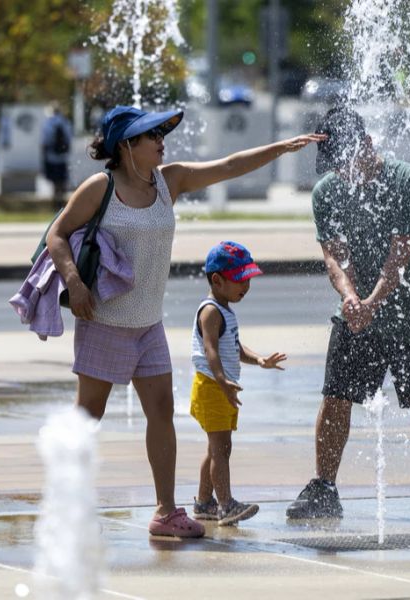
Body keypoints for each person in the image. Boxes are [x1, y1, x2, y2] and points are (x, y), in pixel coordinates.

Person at [46, 104, 323, 538]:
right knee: (88, 416)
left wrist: (280, 148)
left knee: (161, 412)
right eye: (151, 136)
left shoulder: (167, 180)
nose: (162, 142)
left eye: (161, 135)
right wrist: (74, 283)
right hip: (105, 320)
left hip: (148, 325)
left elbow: (228, 166)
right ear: (126, 145)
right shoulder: (99, 188)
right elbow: (57, 235)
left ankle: (166, 512)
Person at [286, 106, 410, 526]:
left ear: (366, 144)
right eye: (334, 167)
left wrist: (373, 301)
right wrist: (350, 298)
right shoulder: (327, 191)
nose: (342, 174)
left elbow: (402, 252)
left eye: (345, 164)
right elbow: (334, 254)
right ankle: (325, 487)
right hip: (357, 312)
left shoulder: (406, 181)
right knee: (335, 397)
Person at [190, 241, 287, 527]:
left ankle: (204, 503)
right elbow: (211, 351)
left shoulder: (224, 309)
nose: (246, 286)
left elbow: (233, 347)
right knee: (220, 449)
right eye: (240, 279)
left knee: (216, 448)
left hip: (220, 386)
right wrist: (222, 381)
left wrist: (260, 360)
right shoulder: (210, 312)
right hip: (212, 386)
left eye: (248, 279)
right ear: (217, 280)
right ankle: (226, 505)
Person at [42, 102, 73, 211]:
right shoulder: (65, 122)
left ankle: (55, 202)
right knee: (62, 181)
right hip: (62, 157)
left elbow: (44, 142)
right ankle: (61, 203)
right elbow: (69, 140)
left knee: (55, 182)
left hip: (51, 156)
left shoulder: (48, 123)